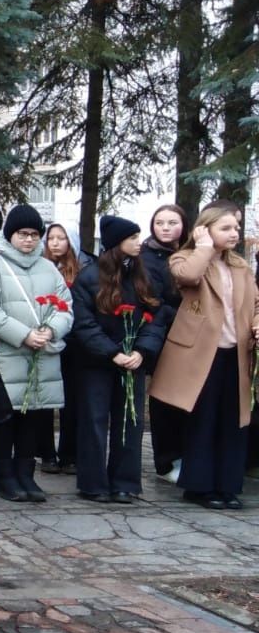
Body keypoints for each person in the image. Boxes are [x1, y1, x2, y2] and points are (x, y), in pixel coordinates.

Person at [149, 201, 259, 509]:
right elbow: (188, 278)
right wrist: (204, 246)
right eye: (225, 228)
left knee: (233, 422)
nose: (234, 233)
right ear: (205, 230)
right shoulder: (185, 257)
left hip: (235, 355)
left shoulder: (240, 266)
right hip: (201, 356)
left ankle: (227, 486)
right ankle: (199, 486)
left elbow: (256, 303)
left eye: (235, 227)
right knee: (204, 421)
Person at [0, 203, 74, 503]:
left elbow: (65, 306)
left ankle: (26, 475)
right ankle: (4, 477)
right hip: (8, 354)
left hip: (41, 355)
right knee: (5, 418)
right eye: (22, 234)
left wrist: (51, 330)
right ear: (10, 235)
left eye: (34, 234)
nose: (28, 240)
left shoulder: (48, 268)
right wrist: (24, 334)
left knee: (34, 417)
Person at [70, 216, 165, 504]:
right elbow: (83, 324)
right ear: (116, 243)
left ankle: (125, 482)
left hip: (132, 361)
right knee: (94, 421)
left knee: (130, 421)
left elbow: (156, 316)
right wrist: (112, 352)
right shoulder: (89, 278)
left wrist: (141, 351)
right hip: (97, 363)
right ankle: (93, 482)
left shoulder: (142, 275)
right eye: (133, 238)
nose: (139, 243)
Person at [141, 203, 189, 478]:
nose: (166, 228)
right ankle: (167, 460)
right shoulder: (147, 257)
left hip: (192, 336)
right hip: (163, 334)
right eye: (160, 223)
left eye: (172, 222)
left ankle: (185, 454)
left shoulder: (190, 254)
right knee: (164, 400)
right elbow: (152, 299)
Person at [40, 223, 87, 475]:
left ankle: (70, 453)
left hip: (74, 344)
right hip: (46, 340)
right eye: (51, 238)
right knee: (46, 400)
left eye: (62, 238)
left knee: (71, 400)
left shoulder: (82, 271)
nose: (55, 243)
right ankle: (46, 452)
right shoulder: (40, 267)